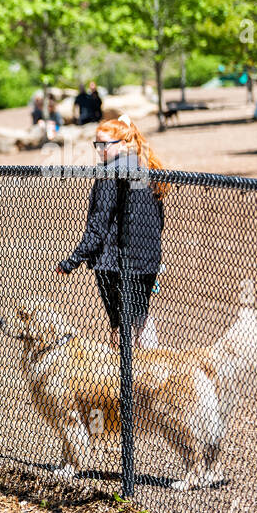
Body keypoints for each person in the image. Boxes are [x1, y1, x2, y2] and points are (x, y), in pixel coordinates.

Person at [57, 115, 167, 350]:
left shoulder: (110, 174)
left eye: (105, 144)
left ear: (124, 143)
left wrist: (72, 261)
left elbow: (98, 225)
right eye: (97, 144)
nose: (100, 150)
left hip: (113, 262)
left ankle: (124, 379)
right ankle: (150, 373)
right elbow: (160, 221)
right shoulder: (146, 167)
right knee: (141, 316)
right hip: (147, 259)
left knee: (119, 324)